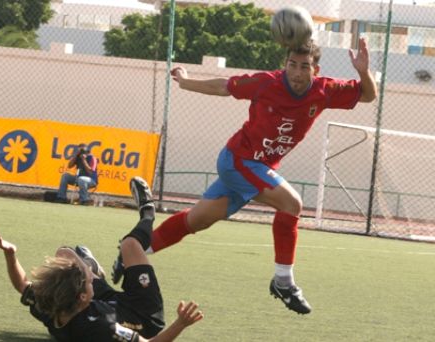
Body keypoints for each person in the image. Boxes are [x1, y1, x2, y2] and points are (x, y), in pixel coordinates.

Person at [113, 38, 377, 315]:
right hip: (238, 160)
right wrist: (186, 81)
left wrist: (362, 70)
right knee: (292, 204)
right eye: (292, 65)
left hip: (257, 168)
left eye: (304, 67)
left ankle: (131, 253)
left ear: (316, 70)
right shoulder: (266, 83)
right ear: (285, 65)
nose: (297, 73)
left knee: (196, 221)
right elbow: (222, 87)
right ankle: (283, 282)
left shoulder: (325, 90)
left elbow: (368, 95)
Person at [0, 177, 203, 341]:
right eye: (88, 280)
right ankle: (148, 212)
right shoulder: (103, 327)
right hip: (142, 317)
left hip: (106, 302)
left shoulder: (53, 305)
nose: (89, 279)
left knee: (64, 254)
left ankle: (94, 266)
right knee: (129, 244)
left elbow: (22, 285)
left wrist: (10, 255)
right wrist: (181, 323)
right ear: (84, 297)